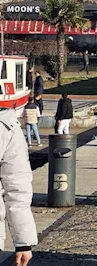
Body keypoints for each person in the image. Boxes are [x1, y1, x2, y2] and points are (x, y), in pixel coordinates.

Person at [0, 106, 38, 265]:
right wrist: (23, 243)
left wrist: (23, 242)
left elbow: (16, 186)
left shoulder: (5, 126)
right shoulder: (6, 126)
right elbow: (17, 188)